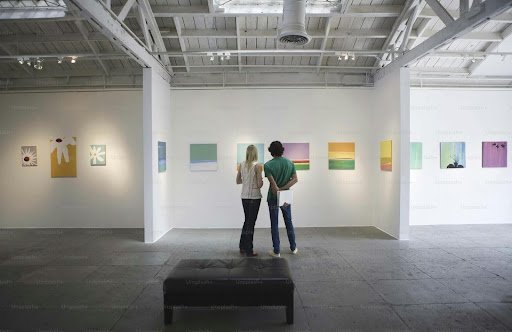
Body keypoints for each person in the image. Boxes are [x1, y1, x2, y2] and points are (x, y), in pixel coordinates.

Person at [264, 141, 298, 258]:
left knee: (274, 223)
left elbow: (273, 186)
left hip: (273, 197)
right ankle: (293, 247)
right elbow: (295, 179)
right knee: (288, 221)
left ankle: (276, 251)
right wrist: (284, 188)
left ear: (271, 151)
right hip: (286, 197)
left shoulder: (268, 165)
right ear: (282, 150)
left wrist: (279, 189)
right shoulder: (290, 163)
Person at [236, 145, 263, 257]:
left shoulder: (241, 165)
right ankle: (249, 250)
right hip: (254, 197)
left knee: (247, 221)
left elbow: (238, 181)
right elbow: (259, 184)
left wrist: (246, 182)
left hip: (244, 197)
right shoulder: (257, 166)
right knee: (251, 223)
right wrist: (260, 180)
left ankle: (242, 246)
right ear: (255, 154)